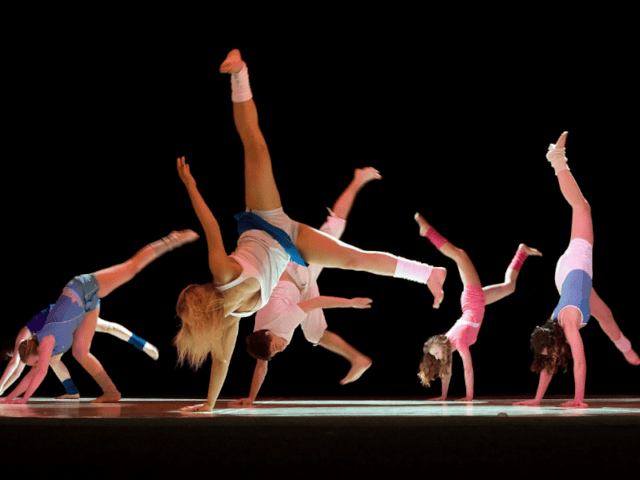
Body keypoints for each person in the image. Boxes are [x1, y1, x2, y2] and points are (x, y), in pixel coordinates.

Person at [174, 49, 447, 412]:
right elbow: (222, 363)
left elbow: (210, 225)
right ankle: (430, 272)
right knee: (353, 260)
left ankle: (239, 72)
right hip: (291, 245)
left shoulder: (223, 276)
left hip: (265, 221)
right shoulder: (232, 319)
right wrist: (208, 406)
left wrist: (190, 185)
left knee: (256, 149)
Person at [229, 167, 380, 407]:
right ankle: (358, 359)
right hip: (299, 289)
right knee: (313, 334)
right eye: (277, 350)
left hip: (298, 272)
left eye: (277, 347)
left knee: (333, 232)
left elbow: (316, 303)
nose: (281, 349)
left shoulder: (281, 324)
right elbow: (262, 366)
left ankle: (358, 179)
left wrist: (350, 303)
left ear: (268, 333)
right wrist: (251, 398)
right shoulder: (262, 336)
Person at [514, 132, 639, 409]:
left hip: (574, 268)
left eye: (552, 351)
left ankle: (557, 160)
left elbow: (580, 360)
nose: (554, 357)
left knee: (582, 207)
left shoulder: (568, 323)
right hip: (568, 282)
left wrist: (579, 400)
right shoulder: (553, 328)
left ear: (556, 337)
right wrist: (536, 399)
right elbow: (548, 365)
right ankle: (625, 347)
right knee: (604, 315)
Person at [1, 230, 198, 404]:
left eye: (34, 362)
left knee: (131, 268)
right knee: (80, 352)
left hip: (80, 288)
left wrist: (23, 399)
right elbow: (34, 373)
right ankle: (111, 392)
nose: (35, 365)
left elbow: (38, 371)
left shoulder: (45, 341)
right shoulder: (45, 348)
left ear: (35, 352)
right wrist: (10, 398)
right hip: (81, 309)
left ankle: (172, 239)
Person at [416, 213, 541, 401]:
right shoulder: (450, 349)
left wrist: (468, 397)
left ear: (441, 345)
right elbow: (447, 373)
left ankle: (428, 232)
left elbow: (468, 369)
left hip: (472, 300)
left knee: (459, 255)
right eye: (435, 355)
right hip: (476, 303)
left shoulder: (457, 341)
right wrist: (443, 396)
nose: (437, 357)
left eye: (435, 353)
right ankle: (522, 252)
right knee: (509, 287)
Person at [0, 316, 159, 400]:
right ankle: (72, 391)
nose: (14, 358)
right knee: (53, 360)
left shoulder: (24, 337)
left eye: (11, 355)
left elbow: (15, 366)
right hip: (60, 335)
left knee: (106, 327)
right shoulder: (27, 350)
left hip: (68, 321)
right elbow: (17, 371)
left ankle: (142, 344)